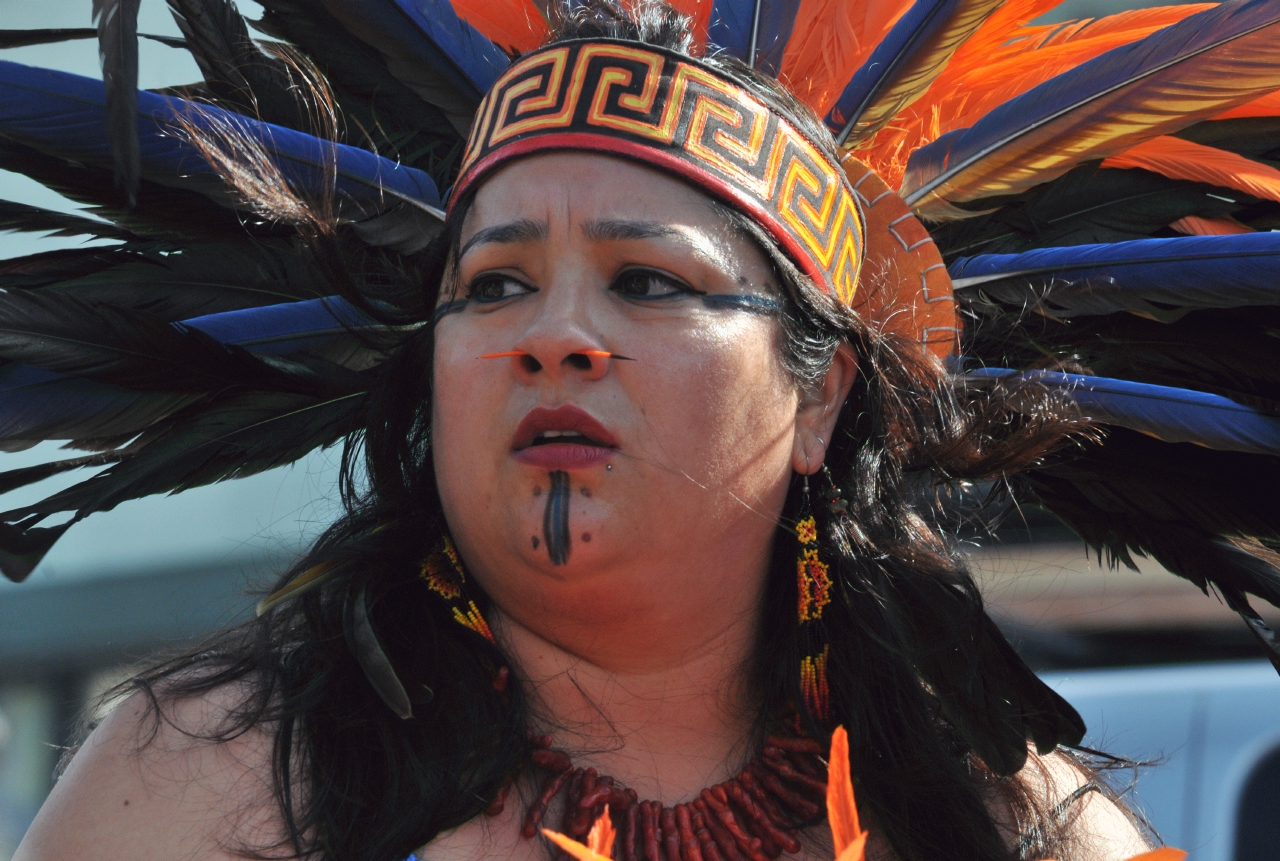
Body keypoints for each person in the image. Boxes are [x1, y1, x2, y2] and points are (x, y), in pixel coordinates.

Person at [2, 0, 1279, 860]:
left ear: (819, 396)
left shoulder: (1009, 818)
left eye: (647, 282)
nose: (549, 336)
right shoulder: (210, 781)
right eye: (492, 286)